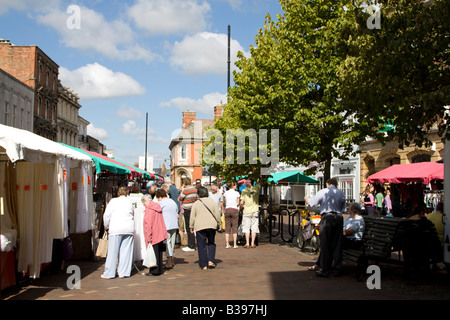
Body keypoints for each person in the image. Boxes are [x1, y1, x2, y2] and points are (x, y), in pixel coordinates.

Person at [305, 177, 346, 277]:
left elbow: (311, 202)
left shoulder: (324, 191)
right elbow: (343, 208)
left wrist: (306, 198)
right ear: (336, 184)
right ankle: (337, 269)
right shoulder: (341, 193)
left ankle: (325, 269)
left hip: (327, 218)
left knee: (325, 243)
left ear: (327, 183)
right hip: (339, 218)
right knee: (337, 244)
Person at [101, 187, 135, 279]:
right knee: (126, 251)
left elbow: (107, 215)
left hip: (115, 228)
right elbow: (133, 214)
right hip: (128, 228)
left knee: (113, 252)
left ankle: (109, 273)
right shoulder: (129, 202)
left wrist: (106, 226)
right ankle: (123, 272)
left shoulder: (113, 201)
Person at [189, 186, 221, 270]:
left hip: (200, 226)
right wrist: (219, 222)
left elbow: (192, 216)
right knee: (211, 242)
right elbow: (217, 214)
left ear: (198, 194)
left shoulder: (196, 203)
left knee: (201, 244)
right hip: (211, 225)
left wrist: (191, 226)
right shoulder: (212, 202)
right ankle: (211, 260)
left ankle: (203, 264)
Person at [142, 194, 168, 276]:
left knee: (153, 253)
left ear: (146, 201)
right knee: (159, 253)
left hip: (154, 233)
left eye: (143, 203)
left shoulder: (149, 209)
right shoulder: (157, 207)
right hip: (160, 232)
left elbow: (148, 224)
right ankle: (159, 269)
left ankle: (154, 271)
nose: (143, 205)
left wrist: (148, 236)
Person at [155, 188, 179, 269]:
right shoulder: (172, 201)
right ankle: (171, 260)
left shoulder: (161, 203)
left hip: (166, 224)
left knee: (168, 243)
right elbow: (176, 210)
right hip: (174, 224)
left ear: (160, 196)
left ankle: (169, 261)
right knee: (172, 243)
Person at [178, 177, 198, 252]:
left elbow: (179, 198)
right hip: (194, 209)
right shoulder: (195, 189)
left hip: (187, 209)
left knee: (189, 227)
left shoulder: (185, 190)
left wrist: (182, 189)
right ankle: (194, 244)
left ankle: (191, 245)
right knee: (194, 227)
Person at [240, 178, 261, 248]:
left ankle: (247, 243)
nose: (245, 183)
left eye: (247, 182)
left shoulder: (244, 191)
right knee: (254, 227)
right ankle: (252, 243)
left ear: (249, 183)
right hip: (255, 210)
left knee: (246, 227)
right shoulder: (256, 188)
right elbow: (260, 183)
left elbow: (241, 202)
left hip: (246, 211)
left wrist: (240, 208)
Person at [223, 181, 240, 248]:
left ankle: (227, 244)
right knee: (234, 227)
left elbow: (225, 201)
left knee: (227, 227)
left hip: (227, 209)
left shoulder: (226, 193)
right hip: (234, 209)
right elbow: (238, 203)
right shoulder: (237, 193)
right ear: (234, 186)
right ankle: (235, 244)